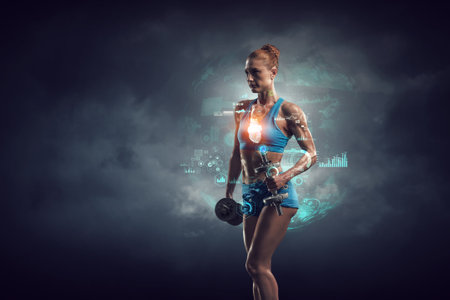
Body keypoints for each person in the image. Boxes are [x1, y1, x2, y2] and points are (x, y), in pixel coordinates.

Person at [225, 44, 317, 300]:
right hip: (249, 193)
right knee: (257, 271)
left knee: (256, 265)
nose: (250, 79)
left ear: (273, 72)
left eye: (255, 72)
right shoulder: (242, 109)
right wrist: (228, 192)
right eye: (246, 73)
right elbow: (236, 153)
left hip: (277, 195)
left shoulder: (289, 112)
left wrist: (284, 176)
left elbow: (312, 153)